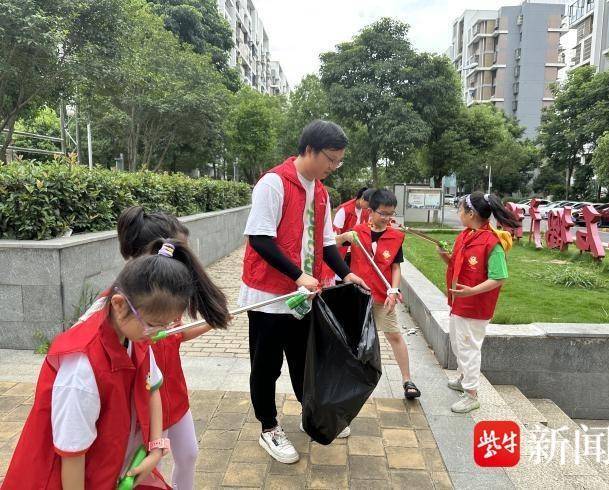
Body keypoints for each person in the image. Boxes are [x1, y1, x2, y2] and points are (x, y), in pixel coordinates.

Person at [3, 238, 228, 489]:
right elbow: (72, 456)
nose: (159, 334)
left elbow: (153, 386)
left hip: (111, 469)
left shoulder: (135, 332)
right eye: (154, 324)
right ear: (119, 305)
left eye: (167, 325)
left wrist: (155, 449)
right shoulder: (81, 371)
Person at [240, 119, 368, 464]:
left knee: (305, 361)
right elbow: (260, 239)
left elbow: (327, 243)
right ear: (309, 150)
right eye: (330, 159)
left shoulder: (321, 191)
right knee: (266, 366)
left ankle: (309, 413)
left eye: (338, 161)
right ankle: (268, 428)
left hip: (305, 295)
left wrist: (347, 274)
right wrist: (298, 275)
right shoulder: (273, 184)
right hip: (269, 296)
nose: (333, 167)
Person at [117, 206, 229, 490]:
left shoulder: (165, 297)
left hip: (175, 396)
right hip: (144, 407)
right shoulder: (127, 307)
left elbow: (176, 335)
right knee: (147, 471)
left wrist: (212, 323)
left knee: (189, 453)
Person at [436, 192, 517, 413]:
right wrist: (445, 256)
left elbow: (499, 277)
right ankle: (464, 378)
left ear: (471, 213)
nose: (458, 213)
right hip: (459, 302)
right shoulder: (466, 235)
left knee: (469, 348)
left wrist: (472, 291)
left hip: (475, 307)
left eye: (460, 209)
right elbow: (457, 263)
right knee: (458, 344)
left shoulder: (492, 242)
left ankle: (471, 394)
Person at [338, 188, 421, 399]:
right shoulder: (357, 231)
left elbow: (395, 267)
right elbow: (330, 245)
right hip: (358, 296)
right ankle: (348, 378)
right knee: (351, 339)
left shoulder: (395, 237)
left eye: (390, 213)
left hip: (383, 297)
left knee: (394, 335)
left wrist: (393, 289)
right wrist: (344, 236)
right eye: (382, 213)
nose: (386, 218)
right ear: (371, 211)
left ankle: (407, 380)